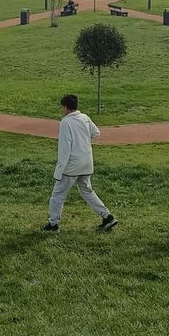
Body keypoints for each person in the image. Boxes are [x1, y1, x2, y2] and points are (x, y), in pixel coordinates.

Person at [42, 94, 117, 232]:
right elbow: (96, 133)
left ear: (65, 107)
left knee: (58, 195)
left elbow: (65, 149)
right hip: (87, 163)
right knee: (87, 191)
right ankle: (107, 216)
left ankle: (53, 224)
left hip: (71, 166)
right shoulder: (85, 118)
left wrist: (59, 170)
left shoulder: (65, 122)